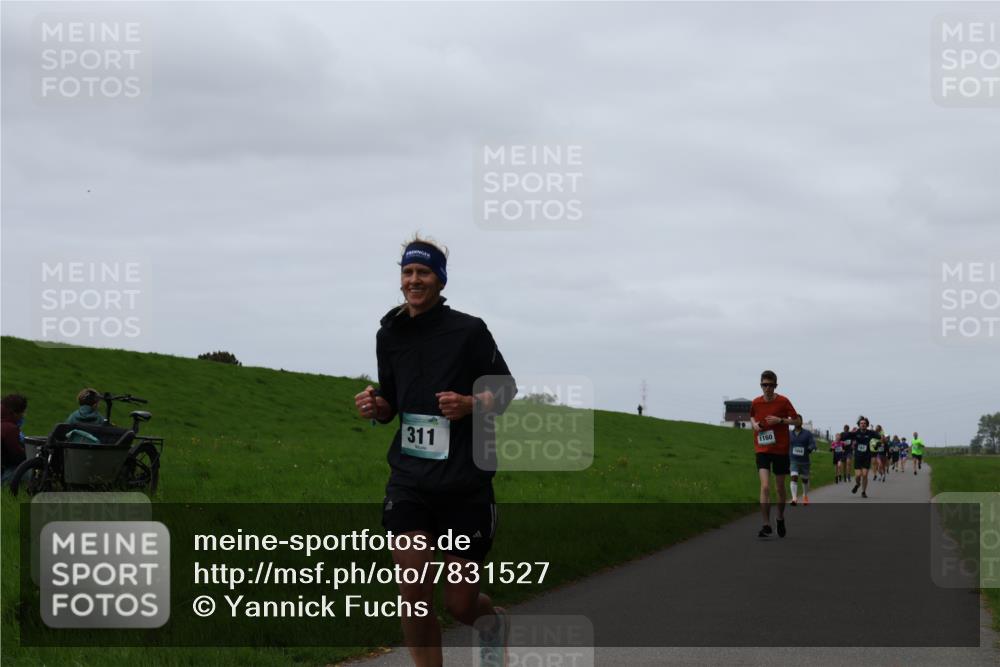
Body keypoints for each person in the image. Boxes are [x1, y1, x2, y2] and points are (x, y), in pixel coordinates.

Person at [353, 235, 516, 667]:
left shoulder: (469, 331)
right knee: (413, 591)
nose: (413, 280)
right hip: (410, 480)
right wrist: (378, 406)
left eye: (423, 272)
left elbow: (505, 390)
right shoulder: (388, 334)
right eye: (407, 272)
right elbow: (393, 401)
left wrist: (467, 405)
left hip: (465, 482)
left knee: (461, 604)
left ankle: (492, 622)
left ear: (440, 281)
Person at [750, 370, 801, 538]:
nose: (767, 388)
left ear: (775, 385)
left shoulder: (783, 401)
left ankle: (779, 517)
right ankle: (766, 524)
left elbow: (797, 420)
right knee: (765, 486)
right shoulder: (756, 402)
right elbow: (751, 416)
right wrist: (754, 424)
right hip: (762, 449)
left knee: (779, 488)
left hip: (780, 449)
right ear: (760, 385)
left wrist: (781, 421)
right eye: (764, 385)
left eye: (770, 385)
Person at [1, 394, 28, 485]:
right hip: (3, 474)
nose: (24, 415)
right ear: (15, 413)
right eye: (23, 412)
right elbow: (16, 457)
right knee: (30, 472)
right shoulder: (10, 428)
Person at [788, 420, 817, 505]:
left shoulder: (807, 433)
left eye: (798, 420)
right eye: (795, 420)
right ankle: (794, 498)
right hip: (793, 460)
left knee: (805, 480)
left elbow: (813, 444)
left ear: (801, 422)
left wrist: (810, 448)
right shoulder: (789, 434)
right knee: (794, 477)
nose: (797, 422)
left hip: (804, 461)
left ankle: (805, 496)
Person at [851, 417, 877, 498]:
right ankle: (857, 484)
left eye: (864, 423)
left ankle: (863, 492)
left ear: (867, 425)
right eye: (861, 423)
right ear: (859, 425)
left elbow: (878, 437)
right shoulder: (856, 432)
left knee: (865, 475)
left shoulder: (870, 433)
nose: (863, 425)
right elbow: (850, 438)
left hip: (866, 456)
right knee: (858, 475)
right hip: (858, 457)